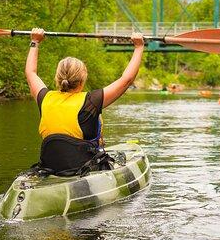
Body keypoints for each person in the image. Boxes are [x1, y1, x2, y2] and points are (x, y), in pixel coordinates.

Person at [25, 28, 144, 174]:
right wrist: (138, 47)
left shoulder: (44, 98)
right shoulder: (91, 101)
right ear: (82, 80)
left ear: (57, 78)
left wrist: (34, 41)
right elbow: (126, 80)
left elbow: (30, 73)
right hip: (84, 168)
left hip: (51, 168)